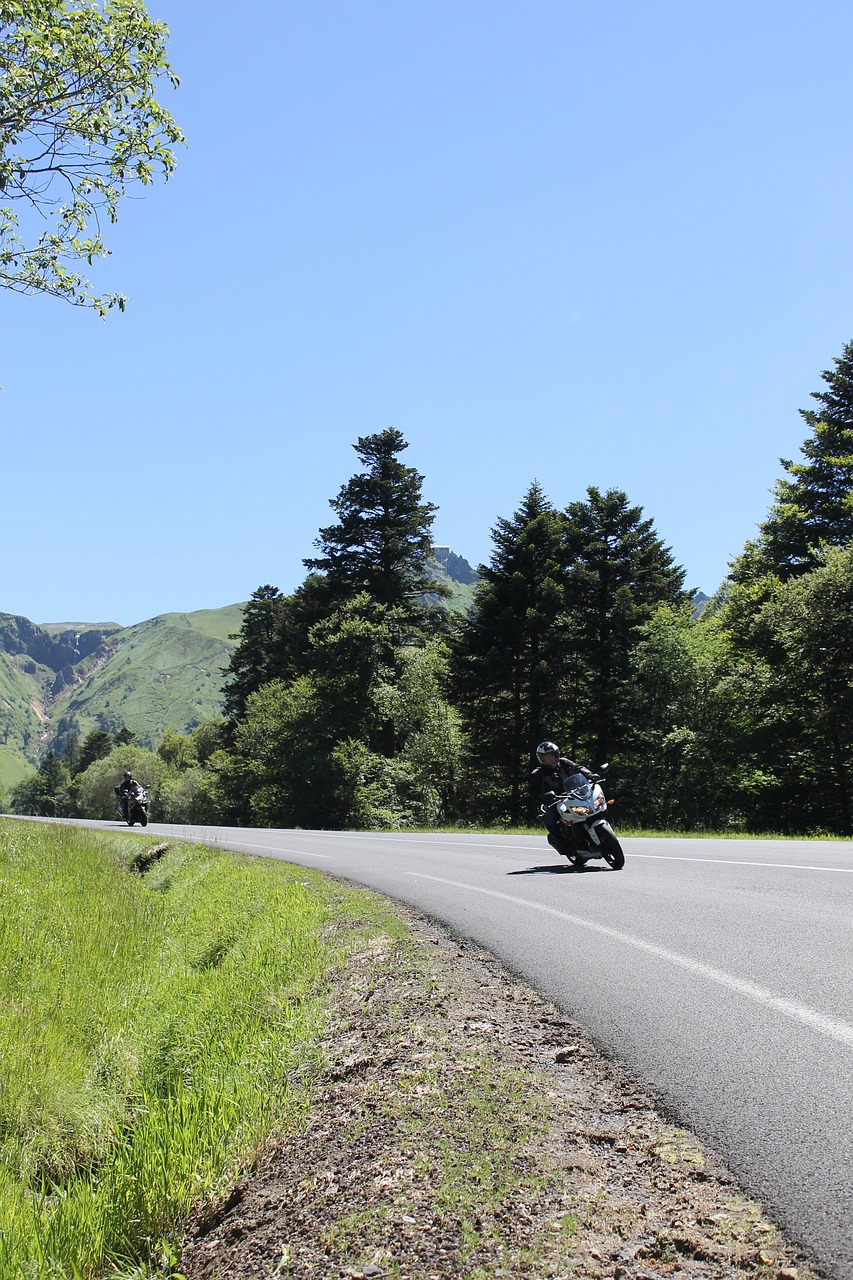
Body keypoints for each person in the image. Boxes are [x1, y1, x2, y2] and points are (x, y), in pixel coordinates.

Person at [530, 741, 598, 852]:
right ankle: (565, 845)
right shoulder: (538, 773)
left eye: (550, 757)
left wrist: (591, 775)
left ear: (556, 755)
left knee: (594, 806)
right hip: (554, 801)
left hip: (575, 794)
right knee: (551, 823)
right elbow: (534, 791)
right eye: (544, 758)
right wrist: (544, 798)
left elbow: (578, 768)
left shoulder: (564, 762)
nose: (548, 760)